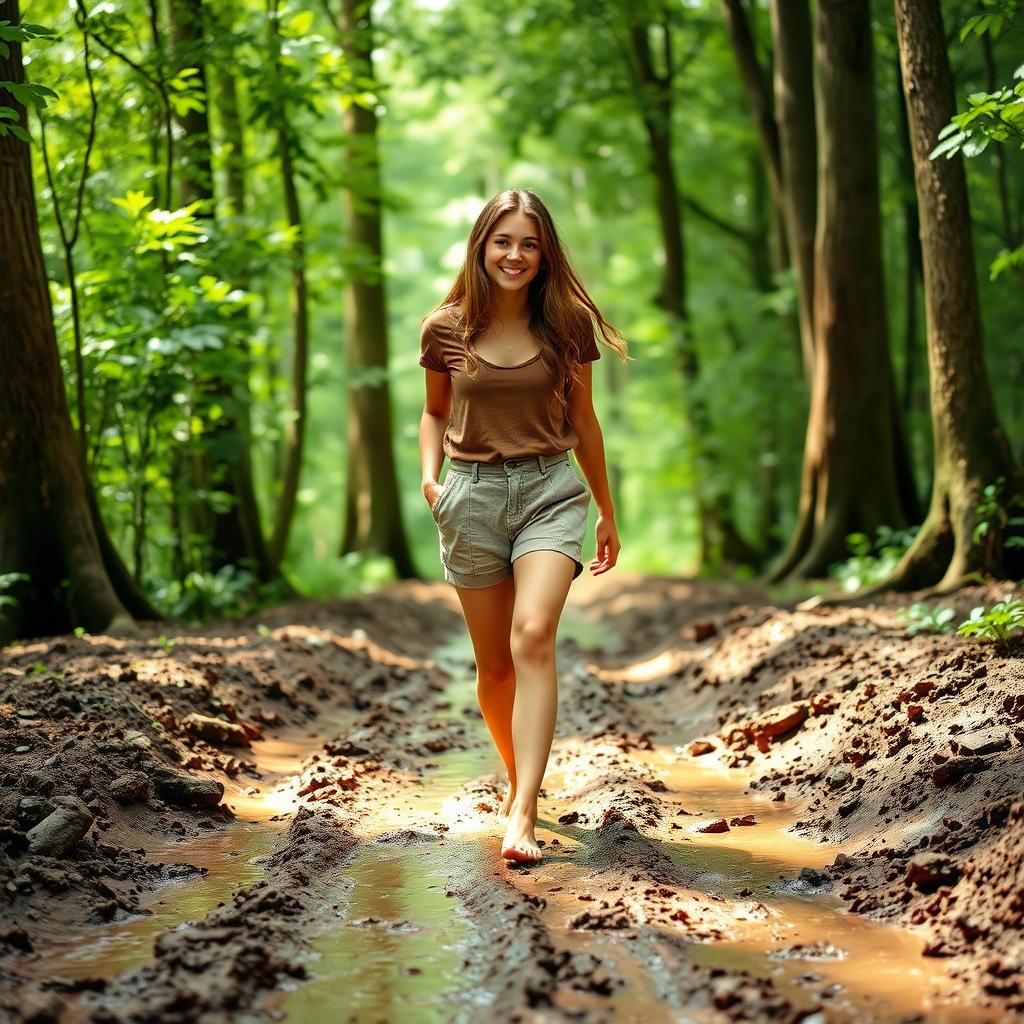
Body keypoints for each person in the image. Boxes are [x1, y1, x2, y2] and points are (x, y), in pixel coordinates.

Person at [418, 187, 628, 864]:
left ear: (545, 253)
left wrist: (605, 509)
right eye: (503, 240)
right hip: (471, 495)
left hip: (549, 490)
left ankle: (526, 812)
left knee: (534, 633)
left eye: (529, 243)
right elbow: (433, 411)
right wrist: (430, 476)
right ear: (482, 246)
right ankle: (517, 784)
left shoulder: (567, 326)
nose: (515, 254)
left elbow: (585, 422)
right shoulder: (444, 327)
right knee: (496, 666)